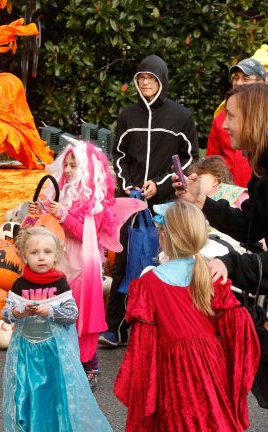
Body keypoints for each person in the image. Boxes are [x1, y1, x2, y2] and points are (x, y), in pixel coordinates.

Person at [113, 201, 259, 431]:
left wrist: (142, 390)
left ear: (162, 236)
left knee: (176, 421)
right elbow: (237, 326)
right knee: (213, 417)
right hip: (211, 363)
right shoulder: (210, 274)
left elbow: (143, 346)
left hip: (172, 368)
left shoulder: (147, 284)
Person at [176, 83, 268, 407]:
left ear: (254, 118)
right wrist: (202, 200)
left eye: (231, 116)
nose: (224, 124)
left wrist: (229, 264)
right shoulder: (261, 173)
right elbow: (250, 227)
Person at [101, 54, 199, 348]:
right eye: (141, 78)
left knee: (163, 264)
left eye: (151, 78)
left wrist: (161, 185)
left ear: (162, 81)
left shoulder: (180, 117)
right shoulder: (128, 116)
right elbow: (119, 156)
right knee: (124, 263)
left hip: (165, 205)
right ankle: (115, 329)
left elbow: (190, 158)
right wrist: (128, 185)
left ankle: (159, 330)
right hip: (131, 203)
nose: (145, 83)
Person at [28, 140, 119, 387]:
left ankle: (90, 364)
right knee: (58, 311)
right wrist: (42, 209)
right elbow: (52, 221)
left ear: (87, 170)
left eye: (73, 166)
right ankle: (63, 362)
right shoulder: (65, 190)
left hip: (83, 264)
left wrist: (63, 215)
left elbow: (83, 232)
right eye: (65, 165)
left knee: (79, 313)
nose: (67, 170)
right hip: (62, 261)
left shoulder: (97, 200)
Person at [1, 227, 111, 431]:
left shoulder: (60, 283)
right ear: (24, 256)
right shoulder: (19, 284)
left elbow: (72, 315)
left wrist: (50, 310)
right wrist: (18, 312)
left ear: (56, 255)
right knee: (28, 392)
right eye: (34, 253)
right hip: (27, 353)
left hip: (54, 353)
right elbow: (5, 313)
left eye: (47, 252)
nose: (41, 257)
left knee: (55, 393)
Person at [206, 57, 267, 187]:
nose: (239, 83)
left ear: (263, 83)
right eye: (235, 77)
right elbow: (211, 160)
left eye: (246, 78)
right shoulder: (221, 119)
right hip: (228, 193)